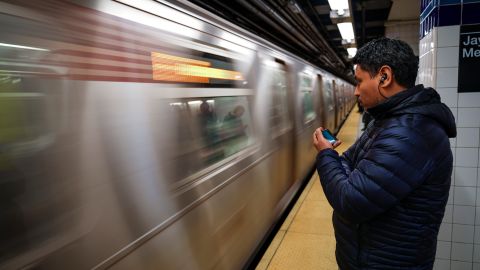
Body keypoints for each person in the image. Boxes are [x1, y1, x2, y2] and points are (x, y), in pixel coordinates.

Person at [312, 38, 456, 270]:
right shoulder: (389, 121)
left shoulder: (409, 133)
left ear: (384, 77)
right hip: (371, 256)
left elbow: (350, 200)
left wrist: (326, 155)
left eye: (359, 82)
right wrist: (344, 168)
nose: (356, 91)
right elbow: (349, 161)